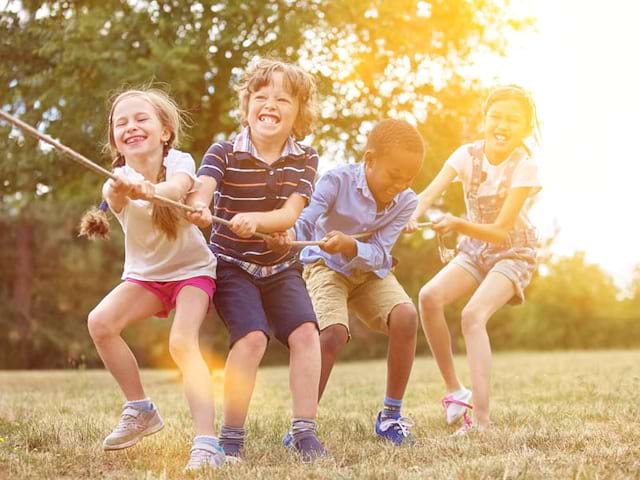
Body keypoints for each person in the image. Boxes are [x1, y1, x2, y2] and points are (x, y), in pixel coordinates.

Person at [186, 59, 325, 461]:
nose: (271, 104)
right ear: (247, 106)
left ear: (299, 112)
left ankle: (304, 432)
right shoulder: (224, 151)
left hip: (281, 268)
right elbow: (203, 188)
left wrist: (258, 220)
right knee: (251, 338)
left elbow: (289, 214)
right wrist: (197, 205)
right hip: (232, 265)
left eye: (283, 98)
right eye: (261, 96)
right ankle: (231, 438)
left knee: (305, 335)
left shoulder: (305, 158)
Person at [80, 88, 226, 471]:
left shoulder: (180, 161)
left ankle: (208, 443)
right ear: (114, 138)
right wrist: (127, 189)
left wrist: (153, 191)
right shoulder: (115, 179)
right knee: (100, 322)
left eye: (141, 118)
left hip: (192, 273)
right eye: (121, 123)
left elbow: (177, 188)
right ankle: (140, 409)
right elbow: (115, 194)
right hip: (145, 278)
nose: (130, 127)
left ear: (165, 131)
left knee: (181, 342)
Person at [270, 119, 424, 445]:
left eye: (407, 179)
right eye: (393, 175)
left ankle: (391, 417)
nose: (399, 185)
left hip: (369, 272)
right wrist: (287, 236)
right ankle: (302, 426)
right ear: (369, 160)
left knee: (407, 316)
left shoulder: (407, 201)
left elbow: (381, 254)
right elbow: (306, 220)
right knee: (332, 334)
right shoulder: (335, 181)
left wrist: (351, 245)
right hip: (325, 267)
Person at [407, 85, 541, 435]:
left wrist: (455, 222)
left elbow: (499, 231)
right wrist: (411, 214)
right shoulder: (466, 155)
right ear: (483, 120)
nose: (502, 124)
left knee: (472, 315)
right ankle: (455, 391)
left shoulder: (525, 167)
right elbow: (427, 194)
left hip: (513, 251)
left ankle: (481, 421)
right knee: (429, 297)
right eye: (495, 116)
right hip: (475, 251)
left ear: (525, 129)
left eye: (513, 120)